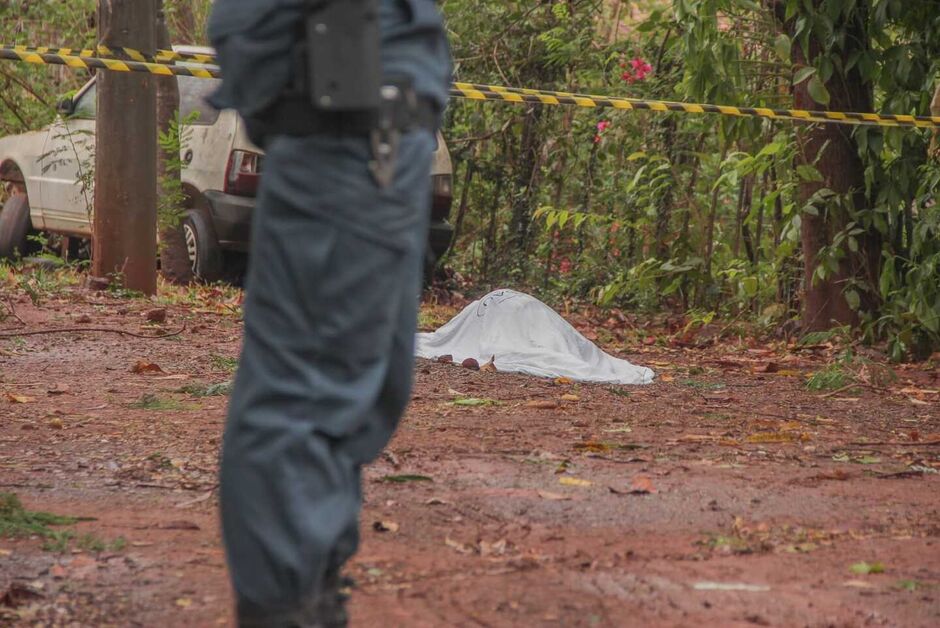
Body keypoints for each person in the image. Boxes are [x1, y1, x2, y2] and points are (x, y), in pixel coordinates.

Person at [206, 1, 451, 626]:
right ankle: (285, 604)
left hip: (377, 136)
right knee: (308, 391)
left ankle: (309, 593)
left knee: (365, 392)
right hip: (342, 125)